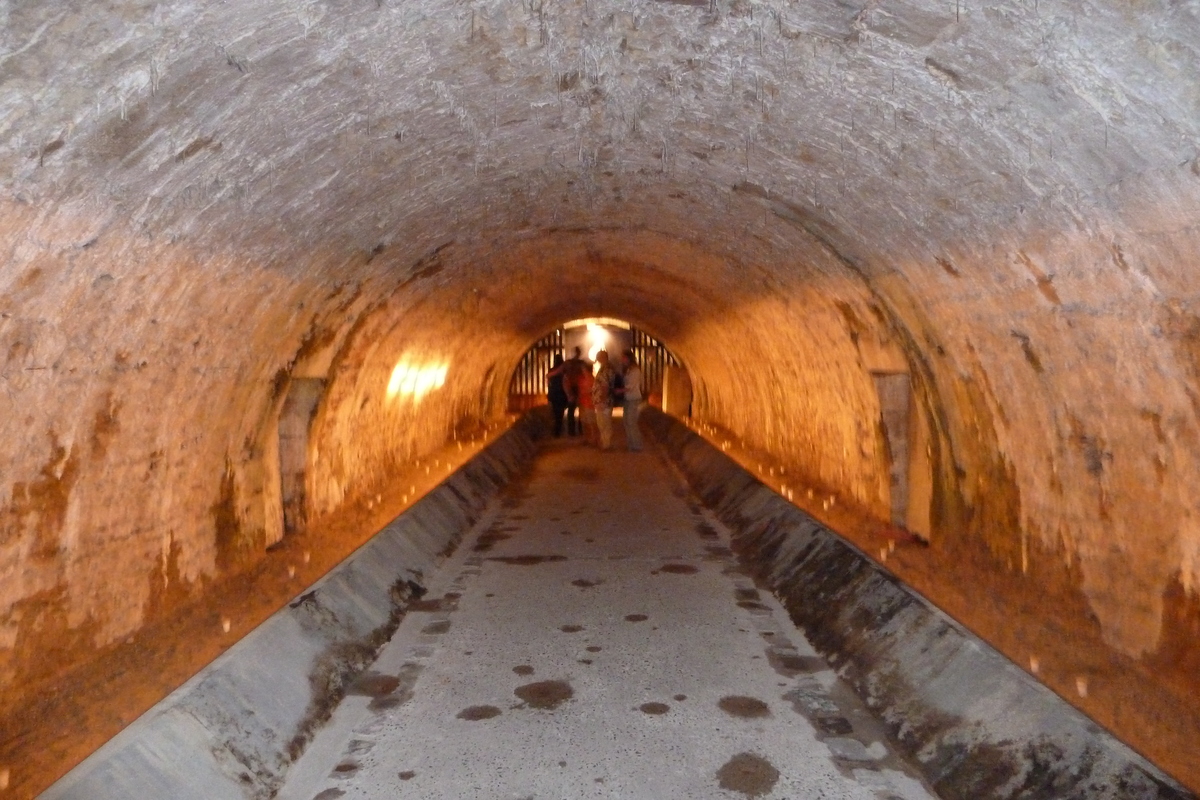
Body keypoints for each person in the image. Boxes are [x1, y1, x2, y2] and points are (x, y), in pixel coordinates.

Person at [592, 350, 617, 450]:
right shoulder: (607, 368)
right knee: (603, 422)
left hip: (603, 401)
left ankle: (606, 444)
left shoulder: (606, 369)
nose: (597, 359)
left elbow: (605, 386)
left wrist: (602, 399)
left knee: (604, 423)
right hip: (604, 400)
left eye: (598, 356)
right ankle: (605, 443)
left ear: (603, 357)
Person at [620, 349, 644, 452]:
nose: (622, 359)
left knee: (631, 422)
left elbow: (631, 386)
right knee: (627, 421)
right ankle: (631, 444)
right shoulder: (628, 370)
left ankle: (637, 445)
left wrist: (619, 390)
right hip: (628, 398)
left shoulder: (635, 371)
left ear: (628, 358)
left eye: (623, 357)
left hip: (633, 398)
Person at [562, 346, 587, 437]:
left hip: (573, 387)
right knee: (580, 410)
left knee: (572, 410)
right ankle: (579, 430)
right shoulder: (581, 364)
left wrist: (568, 392)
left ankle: (572, 431)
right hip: (578, 387)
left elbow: (565, 378)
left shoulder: (569, 363)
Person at [546, 354, 568, 437]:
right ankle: (559, 429)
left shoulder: (551, 370)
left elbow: (548, 383)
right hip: (561, 394)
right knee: (560, 413)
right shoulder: (563, 371)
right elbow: (565, 383)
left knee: (555, 413)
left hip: (553, 394)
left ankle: (556, 430)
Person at [577, 361, 597, 446]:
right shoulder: (581, 378)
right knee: (584, 422)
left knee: (590, 422)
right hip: (582, 402)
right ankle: (587, 438)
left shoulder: (591, 378)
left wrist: (584, 392)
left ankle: (593, 439)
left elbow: (593, 390)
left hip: (589, 403)